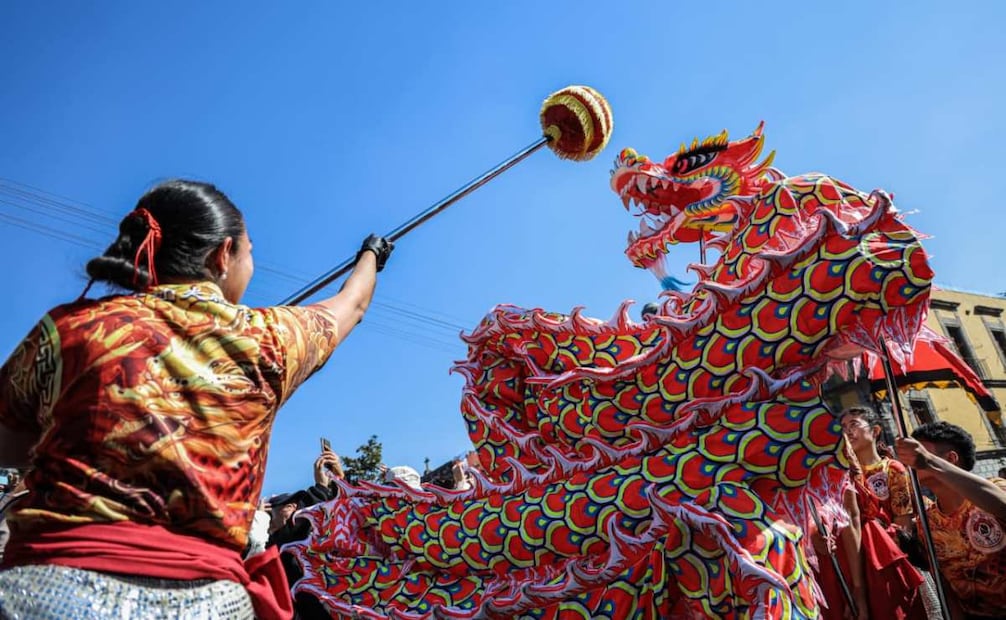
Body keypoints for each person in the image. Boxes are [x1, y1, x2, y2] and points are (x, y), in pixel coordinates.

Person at [0, 180, 394, 619]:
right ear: (222, 255)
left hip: (44, 593)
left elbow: (9, 443)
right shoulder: (271, 339)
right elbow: (351, 304)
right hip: (204, 604)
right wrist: (371, 254)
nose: (251, 264)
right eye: (250, 252)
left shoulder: (70, 328)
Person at [896, 421, 1006, 619]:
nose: (911, 463)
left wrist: (928, 461)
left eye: (920, 452)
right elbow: (945, 586)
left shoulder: (995, 487)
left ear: (951, 458)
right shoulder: (926, 523)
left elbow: (1002, 506)